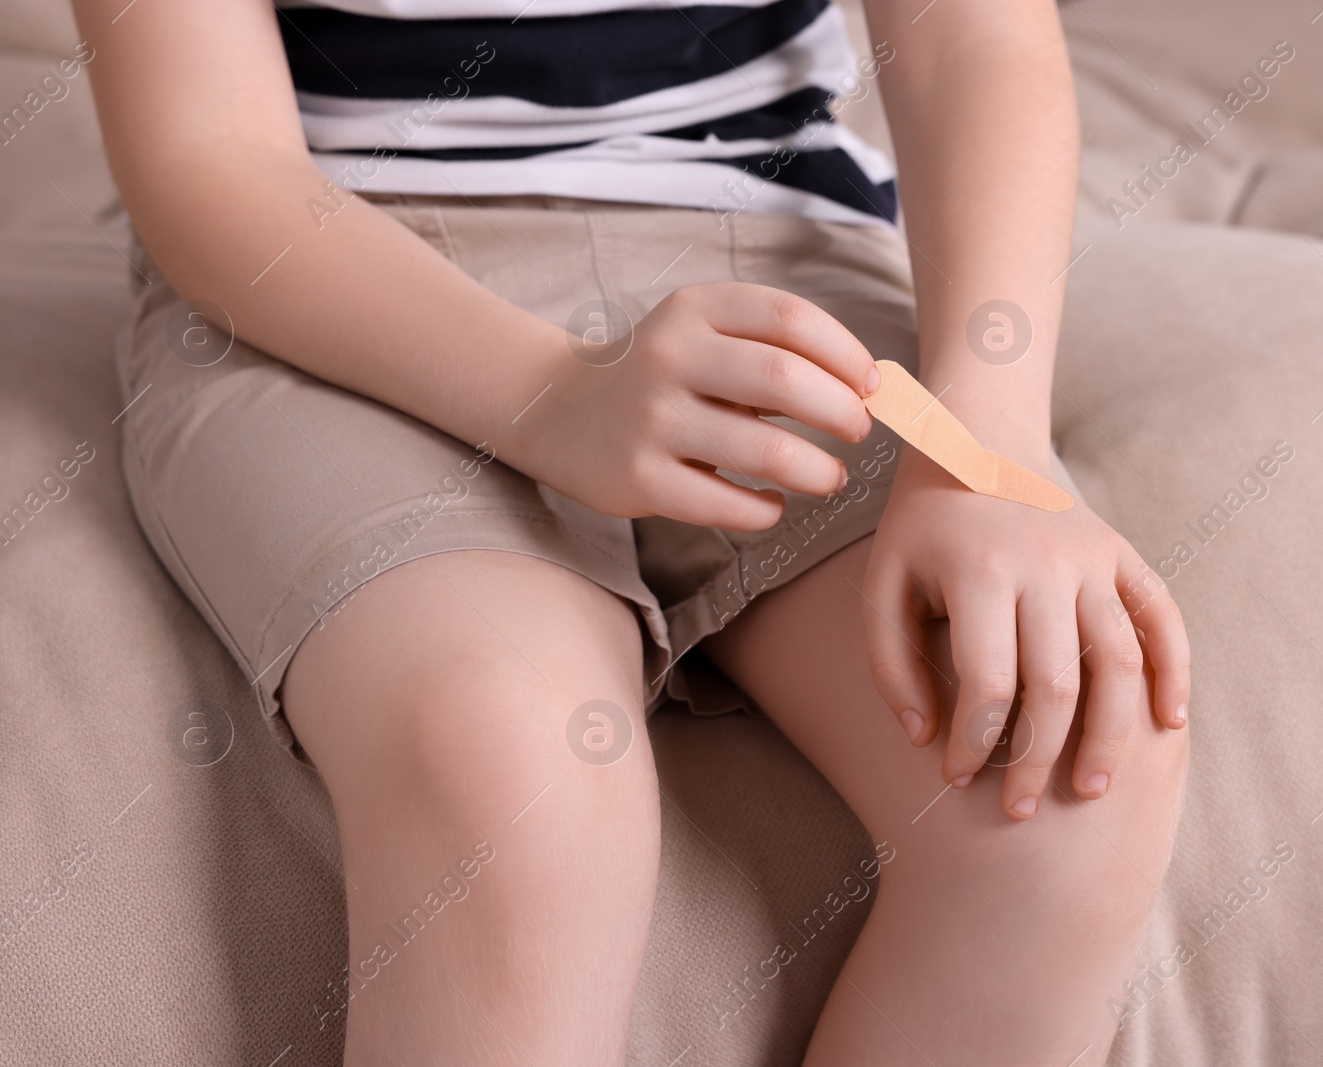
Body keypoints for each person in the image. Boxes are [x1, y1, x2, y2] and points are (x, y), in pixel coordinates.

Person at [76, 0, 1191, 1061]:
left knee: (1059, 757)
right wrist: (553, 396)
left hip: (767, 238)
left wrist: (982, 439)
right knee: (512, 766)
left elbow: (975, 41)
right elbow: (207, 153)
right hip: (337, 278)